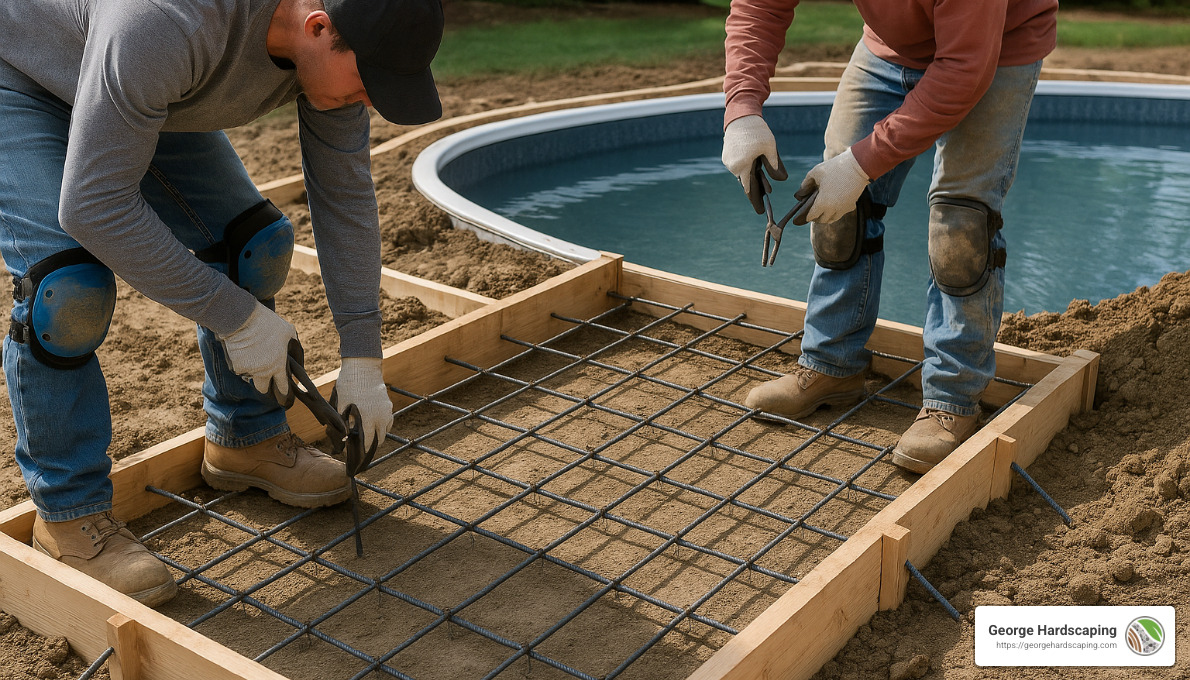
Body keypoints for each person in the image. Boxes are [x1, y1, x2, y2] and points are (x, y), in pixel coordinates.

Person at [0, 0, 443, 606]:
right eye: (367, 82)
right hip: (18, 72)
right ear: (319, 28)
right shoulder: (164, 21)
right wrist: (236, 318)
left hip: (130, 85)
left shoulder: (342, 44)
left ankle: (244, 437)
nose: (368, 100)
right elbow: (93, 206)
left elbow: (343, 196)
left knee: (254, 246)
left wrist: (364, 357)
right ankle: (69, 514)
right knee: (67, 293)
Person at [721, 1, 1057, 474]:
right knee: (839, 212)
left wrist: (862, 165)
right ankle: (831, 364)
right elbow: (760, 4)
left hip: (994, 51)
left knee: (960, 225)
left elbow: (963, 70)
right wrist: (742, 109)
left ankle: (951, 400)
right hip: (889, 51)